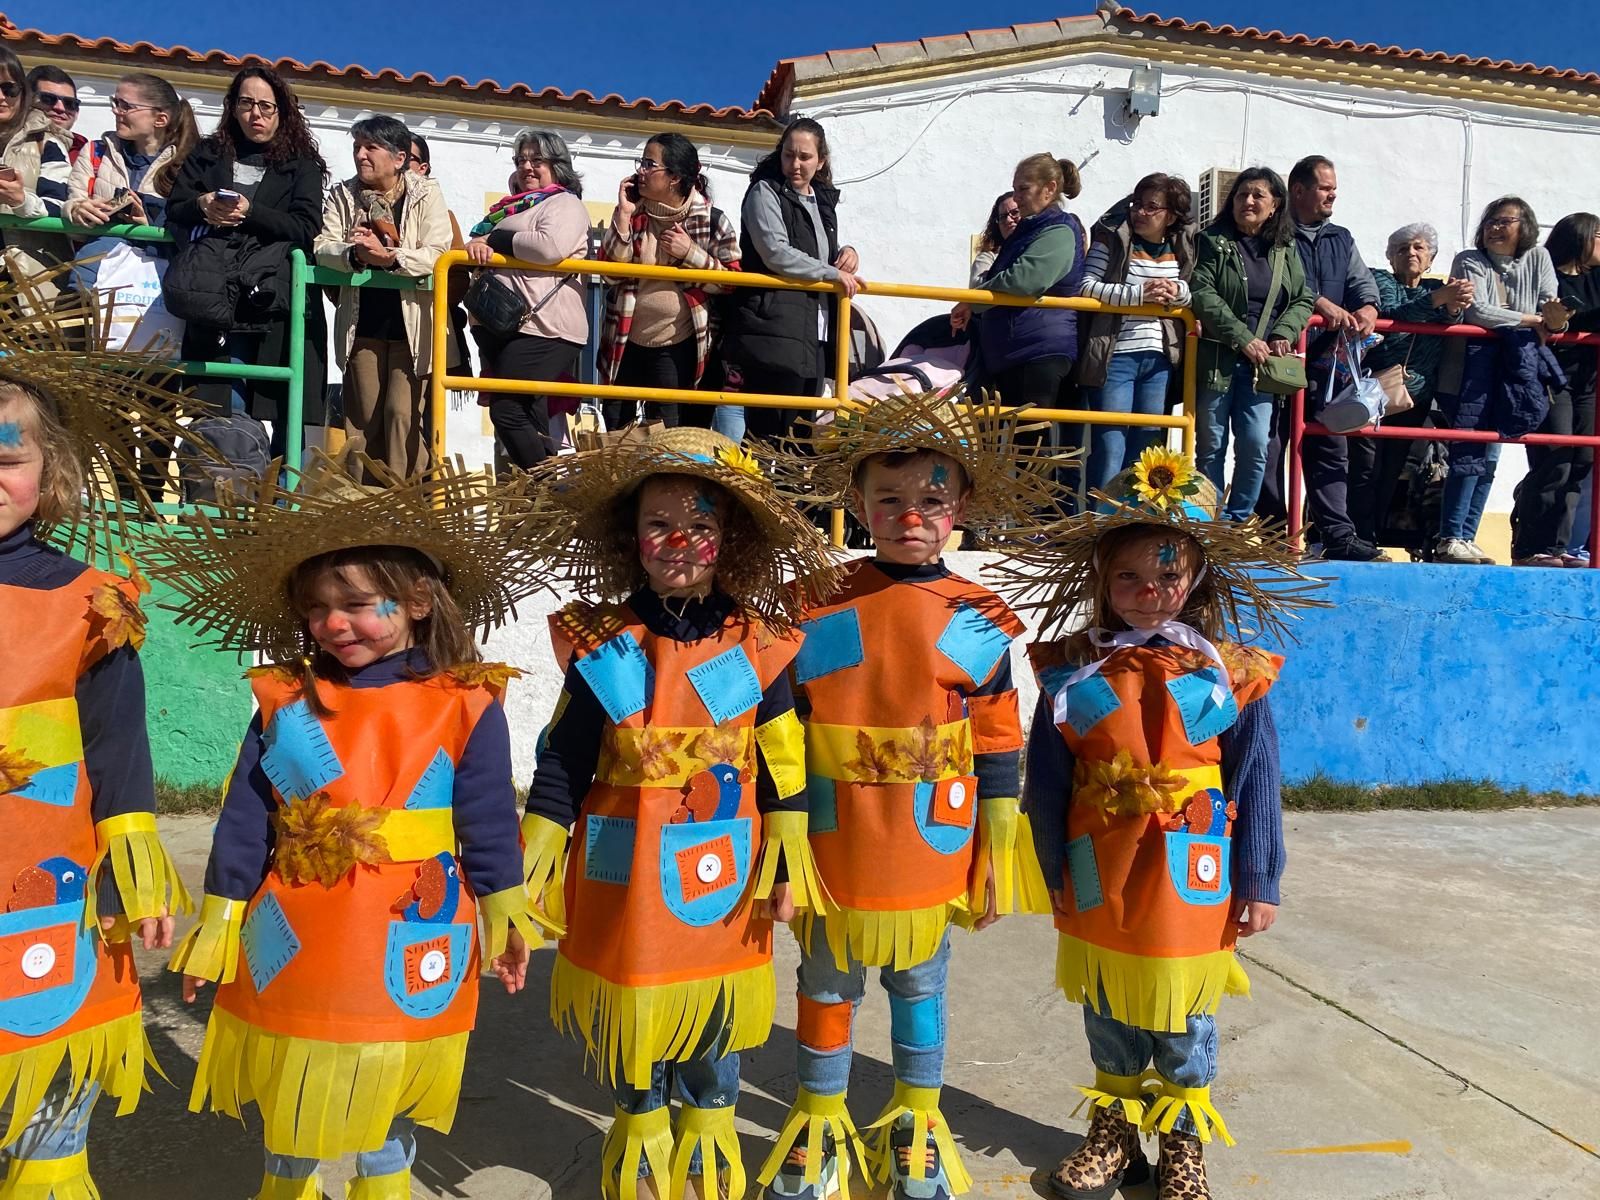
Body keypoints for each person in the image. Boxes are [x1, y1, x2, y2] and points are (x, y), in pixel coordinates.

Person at [152, 451, 545, 1200]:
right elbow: (246, 815)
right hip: (295, 929)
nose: (335, 623)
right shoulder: (284, 698)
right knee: (291, 1077)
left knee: (387, 1079)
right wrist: (218, 919)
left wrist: (504, 912)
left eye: (361, 603)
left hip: (411, 922)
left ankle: (384, 1186)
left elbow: (489, 817)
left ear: (420, 600)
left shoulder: (466, 701)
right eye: (317, 608)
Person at [517, 426, 837, 1200]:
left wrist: (788, 865)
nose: (679, 541)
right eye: (659, 524)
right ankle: (640, 1141)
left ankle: (706, 1148)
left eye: (701, 524)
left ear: (729, 538)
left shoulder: (755, 643)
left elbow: (784, 766)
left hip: (723, 869)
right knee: (636, 1006)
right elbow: (560, 757)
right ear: (633, 537)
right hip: (619, 862)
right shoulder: (604, 640)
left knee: (713, 1013)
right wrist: (533, 856)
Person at [758, 393, 1053, 1200]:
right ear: (858, 505)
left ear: (958, 508)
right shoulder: (816, 600)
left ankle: (917, 1121)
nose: (909, 514)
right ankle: (819, 1121)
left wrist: (996, 850)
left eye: (930, 499)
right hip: (833, 842)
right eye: (888, 499)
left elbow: (997, 736)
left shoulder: (977, 615)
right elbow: (782, 723)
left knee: (921, 983)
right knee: (825, 983)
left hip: (931, 846)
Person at [1018, 449, 1321, 1200]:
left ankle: (1183, 1144)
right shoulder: (1070, 669)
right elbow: (1048, 781)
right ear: (1101, 579)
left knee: (1185, 1018)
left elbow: (1257, 779)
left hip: (1191, 873)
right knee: (1110, 1008)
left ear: (1197, 580)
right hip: (1099, 868)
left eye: (1168, 576)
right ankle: (1113, 1136)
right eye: (1129, 577)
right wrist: (1045, 868)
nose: (1149, 593)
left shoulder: (1231, 673)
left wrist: (1260, 879)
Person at [0, 293, 192, 1199]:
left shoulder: (92, 601)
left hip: (50, 893)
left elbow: (118, 753)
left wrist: (137, 870)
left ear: (54, 471)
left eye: (9, 451)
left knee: (46, 1097)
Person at [166, 65, 329, 452]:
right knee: (223, 400)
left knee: (285, 405)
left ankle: (279, 507)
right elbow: (176, 208)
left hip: (274, 295)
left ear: (282, 112)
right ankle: (227, 500)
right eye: (246, 103)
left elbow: (306, 226)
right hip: (215, 292)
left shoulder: (303, 165)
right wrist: (202, 204)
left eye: (266, 107)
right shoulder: (208, 153)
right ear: (233, 108)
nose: (256, 114)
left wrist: (250, 211)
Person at [1257, 155, 1385, 560]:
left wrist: (1368, 308)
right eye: (1325, 187)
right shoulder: (1273, 234)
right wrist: (1319, 303)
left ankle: (1337, 535)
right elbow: (1275, 285)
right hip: (1279, 355)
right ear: (1298, 190)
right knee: (1270, 444)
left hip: (1328, 363)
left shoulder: (1341, 238)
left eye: (1333, 187)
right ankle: (1276, 534)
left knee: (1331, 447)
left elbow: (1362, 283)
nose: (1333, 194)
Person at [316, 115, 453, 481]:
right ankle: (362, 507)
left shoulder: (426, 192)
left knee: (401, 416)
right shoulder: (342, 194)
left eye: (370, 147)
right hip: (362, 324)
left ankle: (404, 506)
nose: (361, 155)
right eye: (357, 147)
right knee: (361, 420)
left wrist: (390, 257)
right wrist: (355, 253)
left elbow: (439, 252)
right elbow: (322, 248)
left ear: (398, 158)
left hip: (413, 328)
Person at [1433, 197, 1566, 565]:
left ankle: (1468, 536)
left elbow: (1549, 307)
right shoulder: (1469, 259)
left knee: (1492, 454)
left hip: (1512, 373)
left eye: (1503, 220)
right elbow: (1479, 312)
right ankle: (1451, 535)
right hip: (1466, 372)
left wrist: (1552, 320)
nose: (1493, 227)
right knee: (1469, 451)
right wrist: (1531, 321)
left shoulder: (1538, 258)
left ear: (1525, 226)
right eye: (1490, 220)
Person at [951, 153, 1087, 505]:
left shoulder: (1058, 229)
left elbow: (1025, 279)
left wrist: (973, 300)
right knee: (1013, 446)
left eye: (1023, 188)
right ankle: (1010, 520)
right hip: (1015, 352)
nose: (1017, 197)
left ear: (1049, 189)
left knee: (1032, 448)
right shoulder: (1032, 229)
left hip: (1037, 351)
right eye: (1015, 188)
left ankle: (1036, 526)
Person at [722, 118, 863, 443]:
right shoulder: (765, 191)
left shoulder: (822, 201)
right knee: (767, 434)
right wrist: (832, 273)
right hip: (773, 328)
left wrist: (847, 253)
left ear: (821, 161)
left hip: (814, 332)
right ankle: (761, 494)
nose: (795, 165)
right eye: (789, 155)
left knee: (801, 434)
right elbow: (776, 252)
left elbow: (816, 253)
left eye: (804, 157)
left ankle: (793, 495)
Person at [1188, 168, 1315, 523]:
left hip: (1262, 368)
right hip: (1218, 360)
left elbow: (1303, 298)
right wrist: (1243, 339)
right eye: (1243, 194)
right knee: (1211, 445)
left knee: (1256, 443)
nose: (1248, 201)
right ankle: (1209, 520)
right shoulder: (1212, 240)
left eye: (1258, 195)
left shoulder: (1284, 248)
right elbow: (1203, 292)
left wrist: (1282, 334)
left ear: (1275, 205)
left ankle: (1238, 519)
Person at [464, 128, 590, 470]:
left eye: (537, 159)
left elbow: (548, 247)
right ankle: (540, 510)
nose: (527, 167)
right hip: (503, 326)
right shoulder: (507, 209)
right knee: (528, 415)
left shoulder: (564, 202)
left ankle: (553, 492)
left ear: (558, 165)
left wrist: (497, 239)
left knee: (506, 409)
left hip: (545, 327)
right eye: (521, 160)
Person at [599, 133, 740, 431]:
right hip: (625, 339)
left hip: (678, 345)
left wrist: (690, 253)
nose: (641, 171)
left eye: (650, 164)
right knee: (615, 428)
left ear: (674, 177)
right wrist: (623, 216)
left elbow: (732, 281)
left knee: (669, 432)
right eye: (641, 163)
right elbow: (608, 273)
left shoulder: (713, 220)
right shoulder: (633, 214)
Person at [1353, 224, 1472, 548]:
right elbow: (1391, 312)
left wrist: (1451, 304)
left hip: (1415, 395)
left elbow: (1451, 321)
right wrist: (1438, 299)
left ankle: (1372, 538)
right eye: (1403, 248)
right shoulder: (1381, 280)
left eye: (1419, 248)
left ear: (1431, 257)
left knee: (1393, 471)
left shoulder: (1435, 287)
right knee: (1365, 469)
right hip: (1375, 390)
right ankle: (1351, 536)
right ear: (1391, 257)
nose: (1411, 253)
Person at [1077, 172, 1196, 496]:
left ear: (1169, 216)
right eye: (1137, 205)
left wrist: (1176, 291)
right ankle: (1097, 526)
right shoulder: (1113, 239)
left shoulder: (1181, 245)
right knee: (1110, 449)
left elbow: (1193, 290)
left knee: (1147, 450)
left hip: (1159, 361)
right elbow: (1086, 287)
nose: (1140, 212)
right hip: (1116, 358)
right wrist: (1138, 295)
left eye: (1151, 207)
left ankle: (1134, 525)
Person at [1510, 213, 1600, 566]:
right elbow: (1560, 316)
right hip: (1552, 378)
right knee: (1555, 460)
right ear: (1580, 238)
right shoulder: (1549, 276)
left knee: (1582, 462)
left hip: (1588, 382)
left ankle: (1560, 546)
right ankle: (1531, 546)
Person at [65, 72, 198, 229]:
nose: (116, 110)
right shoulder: (95, 152)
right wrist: (75, 210)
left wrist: (147, 228)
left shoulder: (189, 166)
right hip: (99, 252)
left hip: (154, 253)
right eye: (115, 102)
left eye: (126, 106)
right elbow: (74, 213)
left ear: (160, 120)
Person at [0, 48, 70, 286]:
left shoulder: (47, 143)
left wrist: (20, 200)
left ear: (22, 91)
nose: (2, 97)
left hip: (25, 280)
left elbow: (59, 206)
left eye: (9, 89)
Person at [408, 132, 473, 380]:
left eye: (408, 158)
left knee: (419, 412)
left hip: (425, 328)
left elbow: (458, 276)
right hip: (374, 327)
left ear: (423, 168)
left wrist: (431, 305)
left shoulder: (442, 216)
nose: (399, 163)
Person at [26, 65, 84, 166]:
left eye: (70, 103)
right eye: (48, 99)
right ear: (26, 101)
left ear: (77, 112)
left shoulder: (88, 154)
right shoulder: (8, 142)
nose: (60, 108)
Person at [970, 191, 1019, 286]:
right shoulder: (987, 258)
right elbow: (978, 289)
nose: (1008, 220)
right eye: (1003, 217)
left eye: (1015, 212)